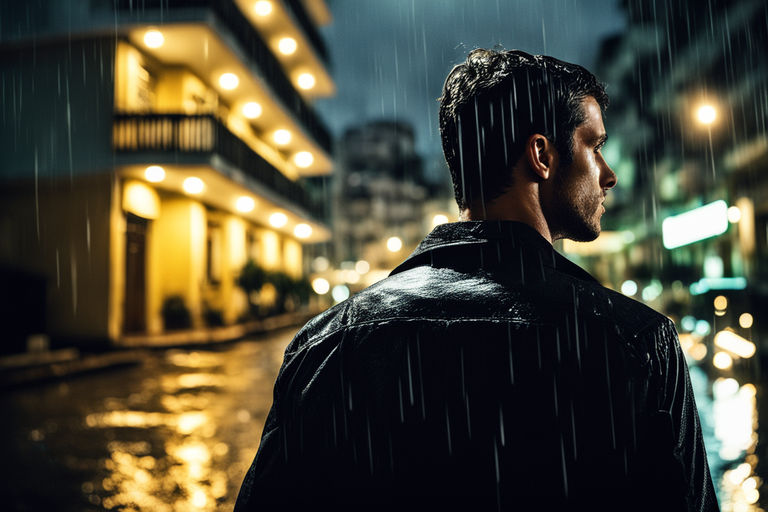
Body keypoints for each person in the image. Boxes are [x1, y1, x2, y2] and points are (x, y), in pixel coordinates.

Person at [234, 49, 718, 511]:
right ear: (542, 155)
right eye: (593, 145)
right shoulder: (635, 342)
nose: (608, 174)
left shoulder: (328, 345)